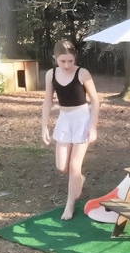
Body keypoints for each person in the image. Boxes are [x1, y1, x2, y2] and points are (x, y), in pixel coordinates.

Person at [41, 40, 100, 220]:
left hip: (82, 118)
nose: (67, 65)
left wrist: (93, 126)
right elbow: (48, 101)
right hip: (64, 119)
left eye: (70, 61)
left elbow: (95, 101)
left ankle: (70, 205)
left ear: (75, 59)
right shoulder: (50, 74)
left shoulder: (83, 73)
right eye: (62, 61)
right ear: (55, 59)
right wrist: (44, 125)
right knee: (61, 167)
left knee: (74, 166)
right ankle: (78, 180)